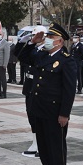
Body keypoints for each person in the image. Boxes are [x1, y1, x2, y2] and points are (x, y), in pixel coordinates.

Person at [17, 22, 77, 165]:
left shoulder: (67, 60)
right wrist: (32, 42)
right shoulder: (43, 55)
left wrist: (64, 114)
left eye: (51, 37)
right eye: (48, 36)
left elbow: (69, 90)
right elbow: (23, 57)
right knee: (43, 145)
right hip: (39, 109)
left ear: (59, 41)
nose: (47, 39)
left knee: (56, 146)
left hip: (54, 112)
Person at [15, 25, 48, 157]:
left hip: (40, 89)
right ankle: (35, 142)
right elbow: (19, 55)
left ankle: (42, 145)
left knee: (40, 118)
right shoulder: (34, 49)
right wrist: (27, 42)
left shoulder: (46, 51)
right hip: (30, 87)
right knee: (31, 116)